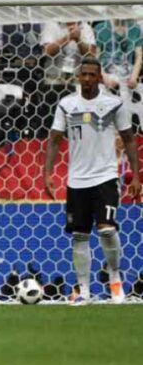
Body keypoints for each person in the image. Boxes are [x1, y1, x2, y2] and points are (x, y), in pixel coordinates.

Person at [43, 57, 140, 304]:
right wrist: (47, 174)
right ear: (78, 77)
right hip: (76, 180)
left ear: (99, 77)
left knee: (107, 230)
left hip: (106, 176)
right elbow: (54, 139)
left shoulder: (113, 104)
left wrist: (137, 176)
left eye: (91, 75)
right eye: (83, 74)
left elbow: (129, 139)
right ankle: (84, 290)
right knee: (80, 236)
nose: (87, 79)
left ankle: (115, 279)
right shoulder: (67, 105)